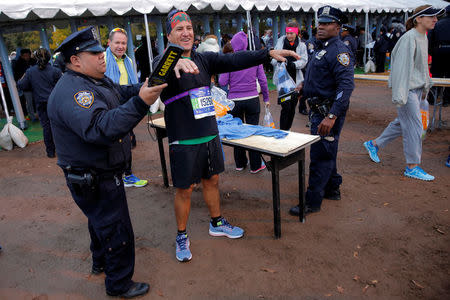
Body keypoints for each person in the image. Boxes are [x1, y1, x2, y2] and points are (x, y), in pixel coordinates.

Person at [155, 9, 299, 262]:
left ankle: (217, 222)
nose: (186, 32)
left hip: (210, 133)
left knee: (212, 181)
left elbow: (234, 59)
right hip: (184, 138)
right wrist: (173, 60)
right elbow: (155, 77)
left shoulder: (204, 60)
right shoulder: (162, 62)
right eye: (179, 29)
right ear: (169, 35)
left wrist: (265, 54)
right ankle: (181, 235)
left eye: (189, 27)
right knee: (185, 189)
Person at [47, 26, 167, 298]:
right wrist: (141, 103)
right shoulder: (76, 91)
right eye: (94, 53)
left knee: (99, 222)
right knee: (116, 229)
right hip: (95, 177)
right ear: (75, 60)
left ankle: (100, 261)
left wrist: (143, 88)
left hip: (97, 174)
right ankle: (119, 284)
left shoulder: (94, 81)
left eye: (102, 51)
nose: (103, 56)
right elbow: (100, 128)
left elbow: (122, 92)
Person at [363, 5, 445, 182]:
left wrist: (426, 84)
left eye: (436, 17)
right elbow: (400, 68)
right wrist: (401, 94)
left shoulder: (423, 36)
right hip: (407, 90)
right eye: (432, 16)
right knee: (414, 127)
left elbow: (421, 66)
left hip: (415, 90)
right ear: (419, 19)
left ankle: (374, 144)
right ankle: (412, 166)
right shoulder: (409, 38)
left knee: (404, 122)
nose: (436, 20)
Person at [289, 5, 355, 216]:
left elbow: (346, 87)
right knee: (328, 150)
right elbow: (319, 77)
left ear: (338, 27)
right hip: (318, 108)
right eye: (320, 23)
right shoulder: (321, 46)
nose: (321, 27)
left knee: (320, 156)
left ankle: (312, 201)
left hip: (327, 112)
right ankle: (333, 188)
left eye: (327, 24)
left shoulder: (339, 51)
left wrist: (331, 116)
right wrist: (304, 88)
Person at [218, 31, 270, 173]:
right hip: (253, 99)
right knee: (253, 131)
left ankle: (240, 164)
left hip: (234, 101)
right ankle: (256, 165)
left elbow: (222, 81)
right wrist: (266, 98)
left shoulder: (229, 59)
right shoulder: (253, 58)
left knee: (236, 132)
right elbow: (263, 81)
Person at [104, 27, 147, 188]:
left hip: (126, 103)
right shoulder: (103, 59)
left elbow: (131, 83)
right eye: (117, 43)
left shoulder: (128, 60)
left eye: (123, 43)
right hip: (109, 105)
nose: (120, 46)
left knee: (127, 141)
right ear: (109, 43)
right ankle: (117, 175)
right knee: (114, 142)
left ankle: (127, 174)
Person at [17, 48, 62, 158]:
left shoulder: (30, 71)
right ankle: (63, 149)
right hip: (55, 102)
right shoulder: (55, 70)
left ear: (35, 58)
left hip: (41, 103)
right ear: (49, 58)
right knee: (60, 126)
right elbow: (63, 85)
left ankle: (50, 152)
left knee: (47, 127)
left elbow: (21, 85)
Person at [271, 21, 308, 129]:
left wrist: (294, 65)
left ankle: (288, 130)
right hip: (283, 81)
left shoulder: (302, 45)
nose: (289, 35)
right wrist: (279, 62)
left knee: (292, 107)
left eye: (291, 33)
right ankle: (283, 130)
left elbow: (304, 60)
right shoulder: (280, 43)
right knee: (285, 106)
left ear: (296, 33)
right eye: (287, 33)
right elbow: (273, 58)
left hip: (296, 80)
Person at [428, 5, 450, 106]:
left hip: (439, 51)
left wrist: (432, 52)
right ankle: (446, 100)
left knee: (437, 76)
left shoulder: (438, 24)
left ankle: (432, 98)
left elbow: (430, 39)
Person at [12, 48, 37, 122]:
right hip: (26, 87)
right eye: (25, 56)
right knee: (29, 103)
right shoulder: (18, 64)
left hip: (35, 85)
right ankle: (32, 117)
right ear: (22, 56)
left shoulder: (34, 61)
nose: (27, 57)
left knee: (37, 101)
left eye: (28, 55)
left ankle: (39, 115)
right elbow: (17, 76)